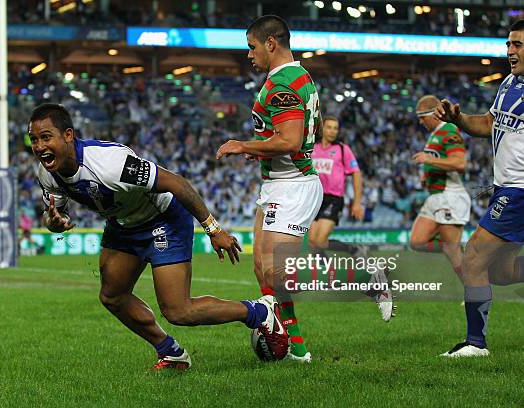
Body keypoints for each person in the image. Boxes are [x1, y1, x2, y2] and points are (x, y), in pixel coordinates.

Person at [28, 103, 288, 370]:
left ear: (68, 135)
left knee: (178, 311)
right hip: (123, 225)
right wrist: (55, 224)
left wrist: (213, 229)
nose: (38, 146)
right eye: (34, 140)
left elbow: (176, 183)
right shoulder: (48, 175)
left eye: (46, 137)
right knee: (112, 296)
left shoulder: (110, 165)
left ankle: (259, 312)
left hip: (163, 219)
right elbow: (54, 216)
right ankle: (171, 352)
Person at [217, 15, 322, 362]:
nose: (249, 54)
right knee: (263, 271)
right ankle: (296, 348)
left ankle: (367, 276)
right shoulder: (298, 76)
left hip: (292, 186)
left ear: (271, 43)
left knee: (278, 273)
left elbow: (291, 139)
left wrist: (245, 145)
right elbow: (310, 132)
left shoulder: (283, 84)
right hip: (277, 183)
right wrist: (264, 146)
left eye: (252, 46)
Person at [435, 19, 524, 357]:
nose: (510, 51)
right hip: (505, 187)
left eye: (517, 45)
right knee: (500, 272)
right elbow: (487, 124)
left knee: (472, 257)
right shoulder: (509, 84)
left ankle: (475, 344)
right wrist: (458, 119)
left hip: (519, 190)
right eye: (508, 44)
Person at [309, 116, 394, 322]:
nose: (332, 131)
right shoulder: (311, 148)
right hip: (313, 198)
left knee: (319, 241)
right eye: (329, 127)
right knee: (312, 243)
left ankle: (353, 250)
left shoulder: (342, 150)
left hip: (333, 198)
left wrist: (357, 202)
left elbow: (356, 174)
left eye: (335, 128)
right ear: (322, 128)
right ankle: (331, 274)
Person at [410, 95, 470, 283]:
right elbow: (442, 162)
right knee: (417, 242)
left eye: (422, 117)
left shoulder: (449, 130)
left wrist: (429, 160)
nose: (420, 122)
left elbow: (459, 163)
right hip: (435, 195)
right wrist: (427, 176)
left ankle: (475, 290)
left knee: (452, 250)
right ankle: (460, 251)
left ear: (434, 115)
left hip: (450, 196)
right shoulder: (434, 135)